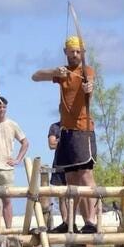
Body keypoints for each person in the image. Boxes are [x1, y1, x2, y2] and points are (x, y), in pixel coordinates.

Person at [32, 36, 98, 234]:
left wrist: (89, 88)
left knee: (86, 176)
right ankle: (69, 221)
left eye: (78, 52)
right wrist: (54, 72)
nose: (75, 55)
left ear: (83, 53)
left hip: (83, 129)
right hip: (66, 131)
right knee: (70, 179)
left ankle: (91, 221)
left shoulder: (87, 70)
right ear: (66, 52)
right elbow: (35, 76)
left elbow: (90, 85)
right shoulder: (62, 72)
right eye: (72, 51)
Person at [0, 96, 29, 229]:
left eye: (4, 107)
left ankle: (9, 230)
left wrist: (18, 159)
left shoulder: (12, 124)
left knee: (7, 200)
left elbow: (25, 142)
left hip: (7, 168)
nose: (2, 109)